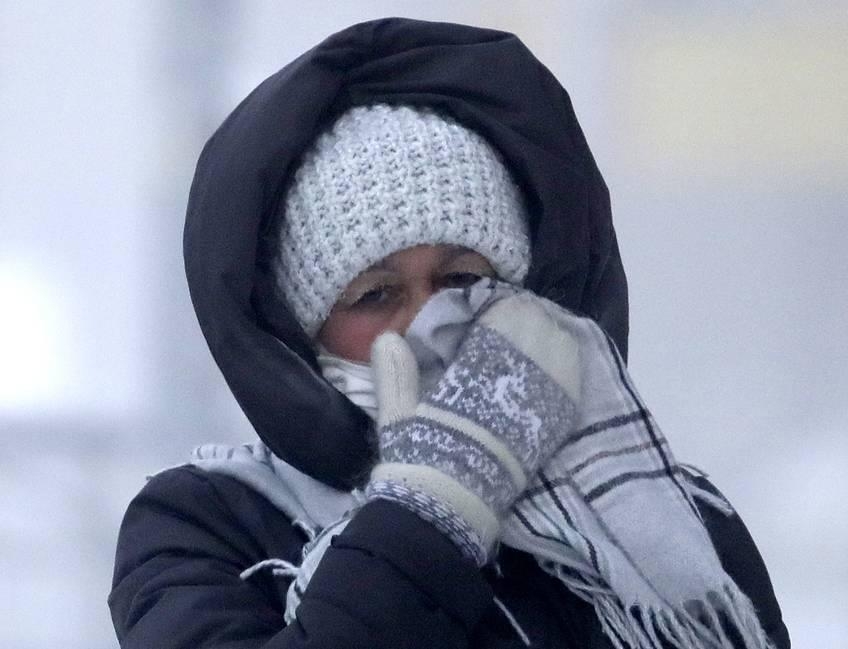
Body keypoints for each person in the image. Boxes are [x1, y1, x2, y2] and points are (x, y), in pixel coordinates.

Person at [108, 18, 790, 649]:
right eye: (375, 294)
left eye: (462, 278)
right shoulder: (206, 525)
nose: (427, 320)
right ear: (301, 336)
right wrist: (430, 509)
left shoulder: (660, 514)